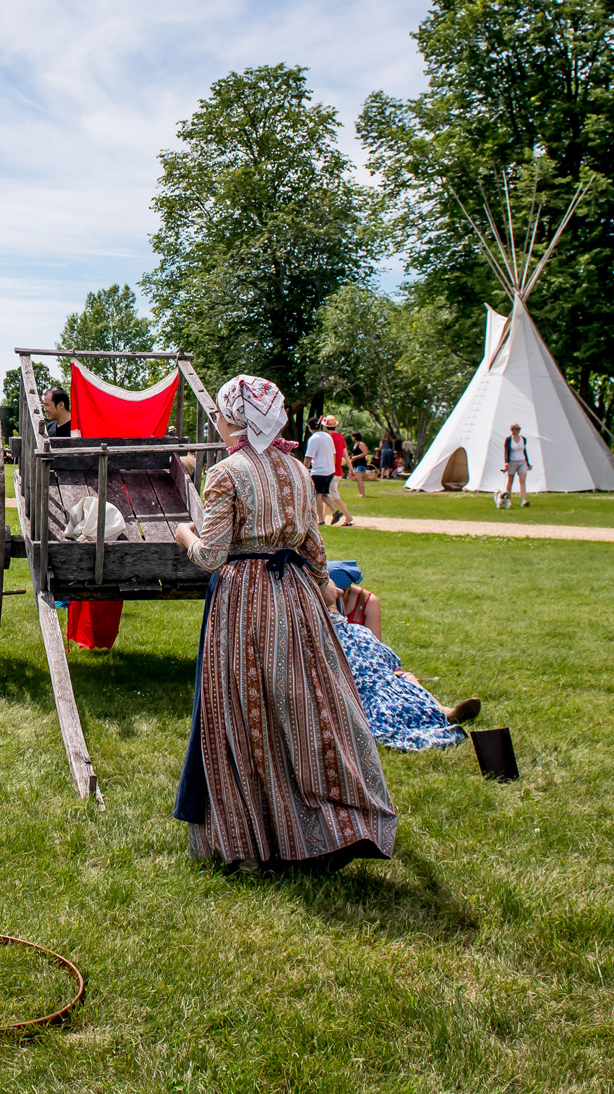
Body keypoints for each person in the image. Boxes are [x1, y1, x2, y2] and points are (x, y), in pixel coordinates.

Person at [171, 374, 397, 872]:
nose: (219, 420)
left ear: (236, 418)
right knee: (305, 704)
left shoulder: (226, 472)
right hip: (294, 594)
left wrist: (185, 533)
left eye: (224, 413)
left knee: (245, 709)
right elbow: (316, 551)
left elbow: (211, 556)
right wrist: (321, 591)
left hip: (245, 598)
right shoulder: (297, 469)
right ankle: (323, 824)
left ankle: (255, 843)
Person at [325, 561, 479, 750]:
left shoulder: (365, 602)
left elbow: (378, 652)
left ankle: (444, 711)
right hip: (355, 668)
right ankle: (438, 713)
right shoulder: (352, 631)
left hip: (363, 665)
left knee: (405, 679)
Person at [305, 416, 350, 527]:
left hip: (319, 471)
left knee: (317, 496)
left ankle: (320, 519)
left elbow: (308, 457)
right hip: (330, 470)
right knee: (324, 494)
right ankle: (335, 511)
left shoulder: (313, 439)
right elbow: (334, 453)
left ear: (309, 427)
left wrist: (304, 469)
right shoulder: (328, 437)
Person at [498, 423, 532, 509]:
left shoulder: (523, 439)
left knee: (522, 480)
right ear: (512, 430)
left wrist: (527, 462)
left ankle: (523, 500)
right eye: (516, 428)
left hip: (522, 461)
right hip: (512, 461)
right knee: (510, 481)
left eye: (519, 428)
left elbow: (524, 451)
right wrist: (506, 462)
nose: (518, 430)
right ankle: (508, 499)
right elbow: (506, 451)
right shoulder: (509, 440)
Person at [346, 429, 370, 500]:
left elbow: (365, 453)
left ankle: (363, 493)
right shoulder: (355, 444)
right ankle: (360, 493)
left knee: (359, 478)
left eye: (352, 436)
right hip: (356, 463)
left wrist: (356, 457)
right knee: (357, 478)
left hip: (361, 463)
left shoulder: (361, 444)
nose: (351, 438)